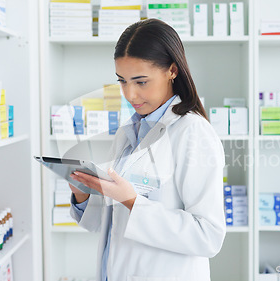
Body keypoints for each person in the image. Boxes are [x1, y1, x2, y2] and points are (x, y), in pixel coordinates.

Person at [68, 18, 226, 281]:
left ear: (172, 71)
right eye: (122, 81)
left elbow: (208, 237)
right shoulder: (127, 132)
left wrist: (131, 201)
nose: (129, 95)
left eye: (141, 82)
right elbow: (107, 224)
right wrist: (84, 196)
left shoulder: (192, 132)